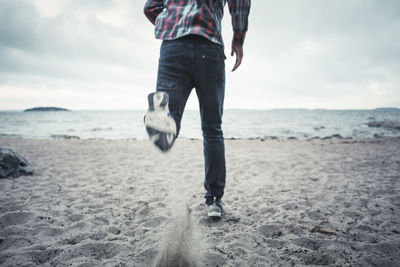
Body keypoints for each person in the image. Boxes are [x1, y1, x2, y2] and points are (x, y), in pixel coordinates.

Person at [143, 0, 250, 218]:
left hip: (174, 47)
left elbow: (150, 7)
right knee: (212, 129)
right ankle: (213, 201)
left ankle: (160, 114)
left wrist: (170, 23)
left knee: (169, 119)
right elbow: (240, 3)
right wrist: (238, 40)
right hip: (209, 47)